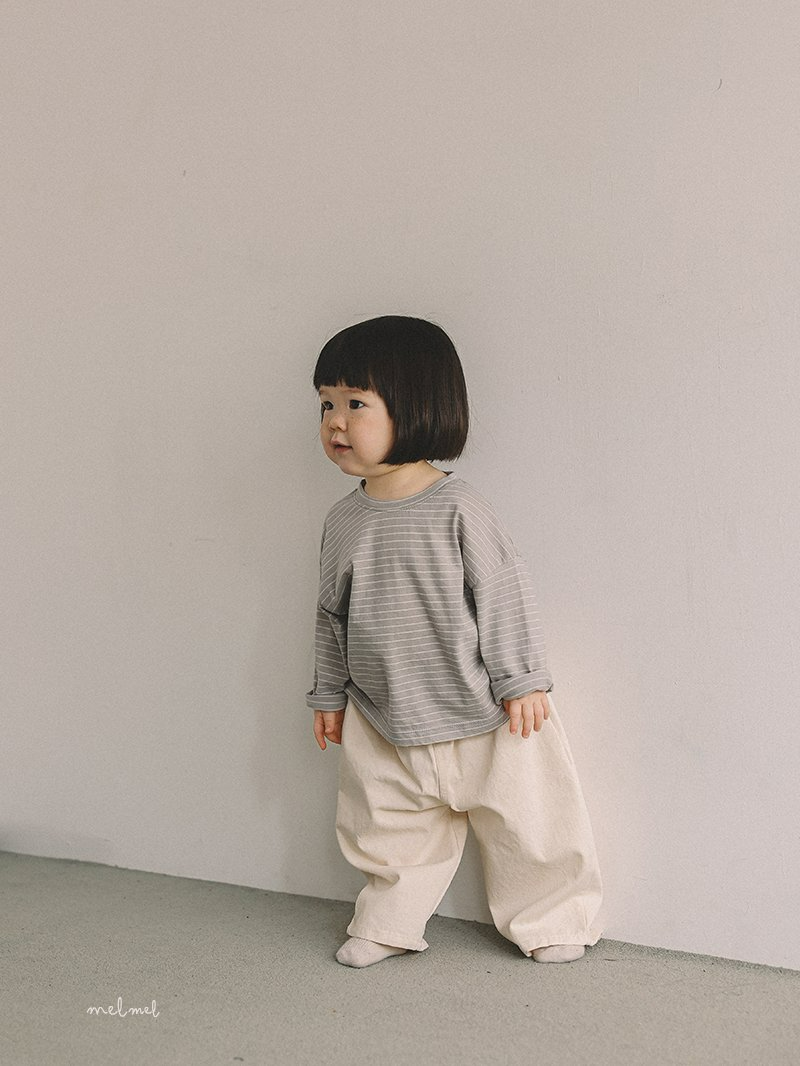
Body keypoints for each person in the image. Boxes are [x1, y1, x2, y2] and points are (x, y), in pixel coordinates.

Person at [306, 315, 604, 968]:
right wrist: (328, 693)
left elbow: (503, 591)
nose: (334, 422)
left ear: (416, 406)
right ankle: (388, 921)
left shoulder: (458, 506)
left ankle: (552, 916)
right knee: (384, 827)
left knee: (530, 820)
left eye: (355, 404)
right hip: (384, 713)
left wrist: (522, 679)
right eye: (326, 404)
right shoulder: (344, 520)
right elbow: (332, 616)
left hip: (488, 711)